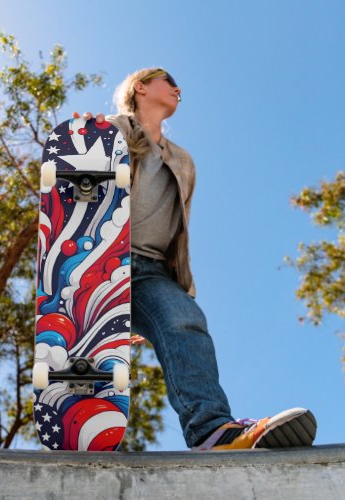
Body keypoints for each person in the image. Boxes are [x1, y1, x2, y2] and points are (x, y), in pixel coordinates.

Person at [74, 67, 317, 450]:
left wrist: (166, 293)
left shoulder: (183, 161)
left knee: (185, 320)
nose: (177, 89)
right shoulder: (109, 131)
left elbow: (177, 228)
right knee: (93, 353)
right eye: (168, 82)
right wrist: (85, 141)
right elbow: (76, 181)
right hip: (101, 258)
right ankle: (81, 429)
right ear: (140, 87)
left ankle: (212, 432)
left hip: (151, 271)